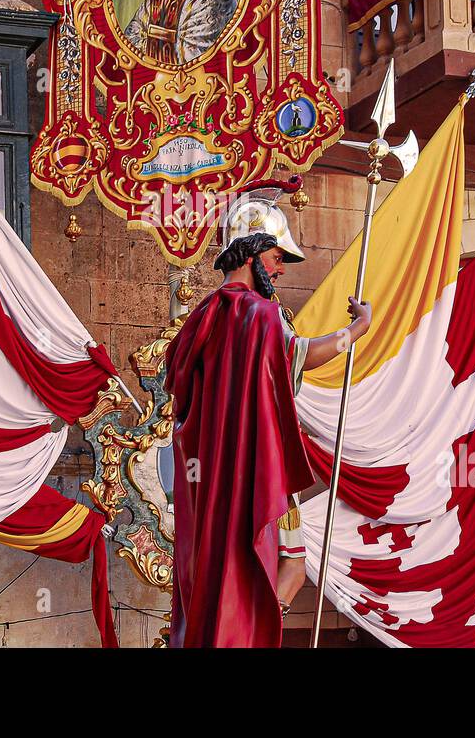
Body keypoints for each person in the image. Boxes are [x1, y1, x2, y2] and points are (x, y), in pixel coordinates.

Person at [164, 182, 373, 647]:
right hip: (259, 470)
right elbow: (305, 355)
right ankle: (251, 632)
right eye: (277, 256)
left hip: (212, 479)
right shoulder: (259, 315)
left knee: (231, 572)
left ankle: (244, 629)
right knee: (291, 565)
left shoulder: (201, 318)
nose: (280, 268)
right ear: (251, 251)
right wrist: (359, 327)